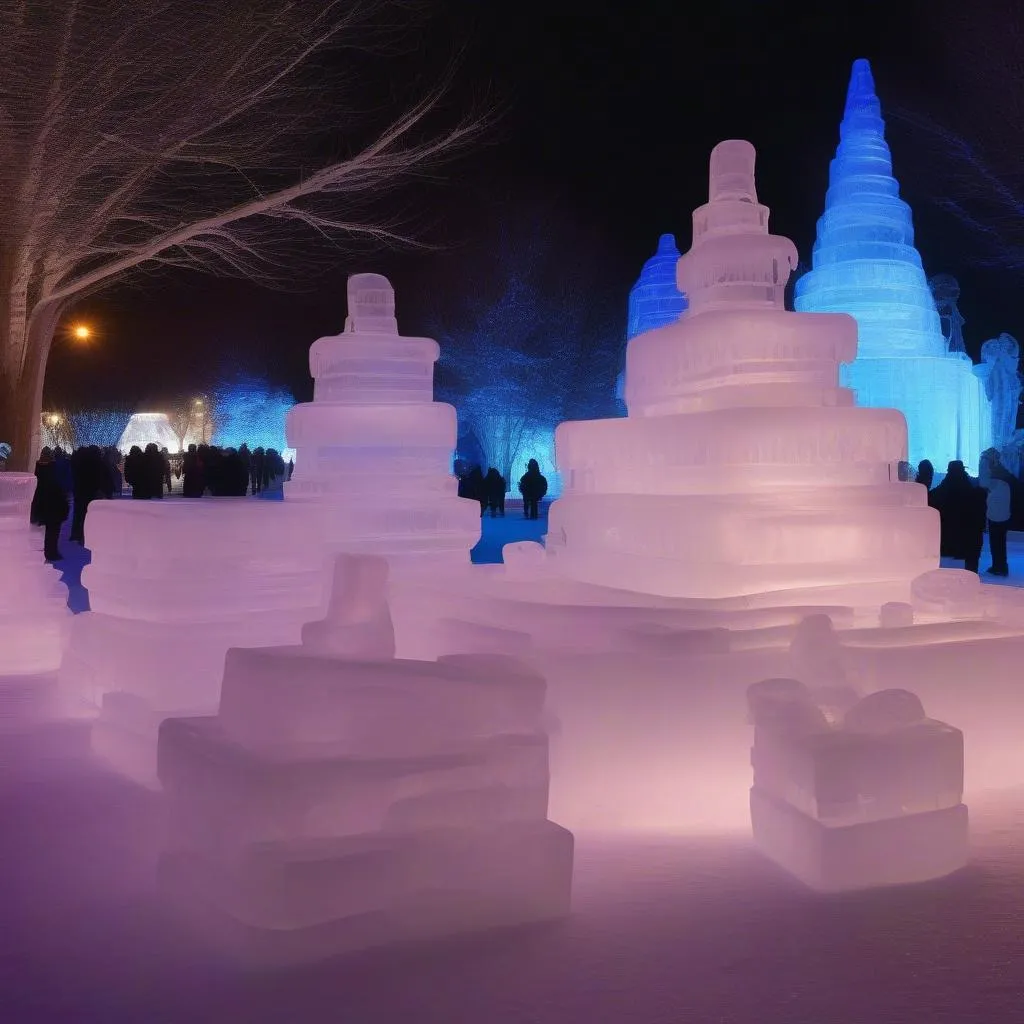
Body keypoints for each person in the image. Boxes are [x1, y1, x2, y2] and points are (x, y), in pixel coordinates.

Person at [32, 448, 69, 562]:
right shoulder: (54, 469)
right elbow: (61, 486)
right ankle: (51, 552)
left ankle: (40, 551)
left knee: (42, 530)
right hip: (54, 504)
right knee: (52, 530)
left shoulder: (36, 468)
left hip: (41, 503)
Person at [979, 448, 1011, 577]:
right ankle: (1001, 565)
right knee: (1000, 540)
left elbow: (983, 482)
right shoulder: (1004, 475)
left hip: (995, 511)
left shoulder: (992, 476)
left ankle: (998, 566)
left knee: (995, 539)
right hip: (1003, 511)